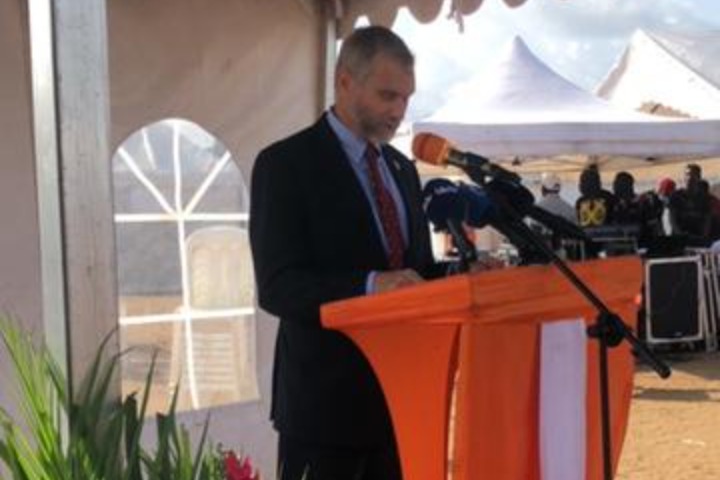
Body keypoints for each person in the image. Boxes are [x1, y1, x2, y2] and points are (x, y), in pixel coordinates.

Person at [249, 26, 479, 480]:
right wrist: (371, 286)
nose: (399, 111)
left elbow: (412, 272)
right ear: (345, 82)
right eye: (387, 95)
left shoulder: (401, 169)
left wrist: (461, 274)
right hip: (324, 411)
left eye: (406, 98)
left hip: (403, 403)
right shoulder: (286, 164)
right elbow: (278, 286)